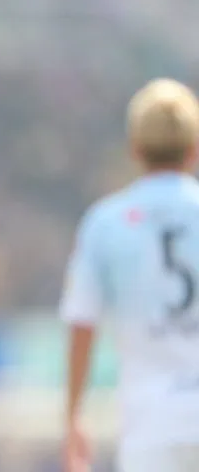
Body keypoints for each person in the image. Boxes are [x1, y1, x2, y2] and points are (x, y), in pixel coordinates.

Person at [60, 78, 199, 472]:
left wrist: (74, 416)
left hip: (149, 426)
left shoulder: (105, 223)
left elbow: (82, 323)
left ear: (135, 148)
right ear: (194, 148)